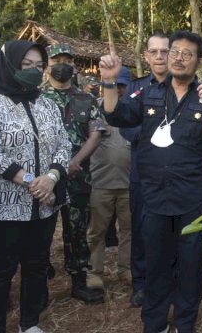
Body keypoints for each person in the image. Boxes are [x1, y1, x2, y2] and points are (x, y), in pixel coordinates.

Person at [100, 30, 202, 333]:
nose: (178, 57)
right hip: (154, 195)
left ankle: (185, 323)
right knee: (156, 264)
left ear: (199, 62)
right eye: (175, 51)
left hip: (191, 198)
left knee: (189, 266)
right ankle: (155, 323)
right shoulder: (148, 92)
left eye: (187, 53)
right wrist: (109, 81)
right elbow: (116, 115)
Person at [0, 39, 71, 333]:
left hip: (44, 204)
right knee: (2, 270)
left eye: (39, 66)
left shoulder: (48, 105)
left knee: (37, 265)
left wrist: (51, 178)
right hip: (5, 205)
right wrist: (30, 180)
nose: (33, 71)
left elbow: (64, 144)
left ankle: (29, 323)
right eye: (26, 65)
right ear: (10, 66)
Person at [41, 43, 106, 304]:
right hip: (44, 178)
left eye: (67, 60)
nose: (62, 64)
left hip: (78, 176)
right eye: (57, 59)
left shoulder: (86, 98)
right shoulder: (36, 98)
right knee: (41, 230)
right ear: (47, 65)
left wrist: (75, 161)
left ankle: (79, 281)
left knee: (77, 230)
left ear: (74, 65)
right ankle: (39, 283)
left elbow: (97, 132)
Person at [119, 32, 170, 307]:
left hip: (174, 173)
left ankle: (169, 282)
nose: (160, 56)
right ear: (146, 56)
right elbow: (126, 125)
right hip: (143, 172)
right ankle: (140, 284)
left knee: (170, 230)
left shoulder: (182, 87)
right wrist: (153, 136)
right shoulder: (136, 88)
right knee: (141, 228)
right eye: (155, 51)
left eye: (165, 51)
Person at [86, 66, 132, 291]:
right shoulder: (95, 109)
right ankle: (95, 271)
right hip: (101, 182)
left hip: (129, 184)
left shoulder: (135, 111)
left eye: (123, 85)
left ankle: (126, 269)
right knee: (97, 231)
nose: (119, 89)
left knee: (129, 229)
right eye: (115, 84)